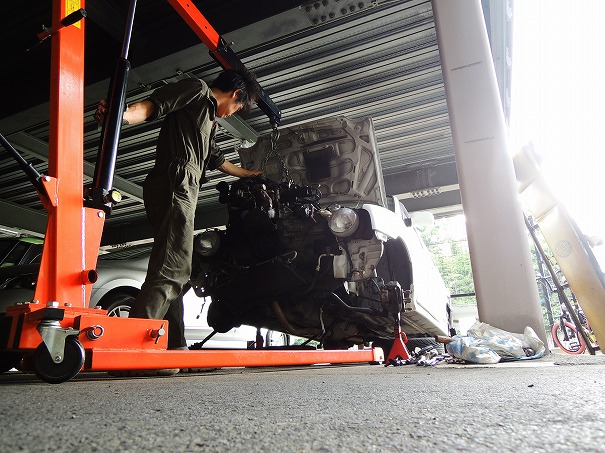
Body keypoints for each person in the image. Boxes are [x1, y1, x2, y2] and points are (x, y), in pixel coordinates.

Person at [95, 69, 263, 353]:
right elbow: (153, 106)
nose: (233, 114)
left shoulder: (208, 120)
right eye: (237, 108)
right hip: (175, 184)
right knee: (174, 268)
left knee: (177, 273)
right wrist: (121, 116)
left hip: (182, 189)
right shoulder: (197, 90)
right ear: (236, 95)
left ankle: (173, 348)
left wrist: (248, 174)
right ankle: (131, 349)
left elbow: (217, 160)